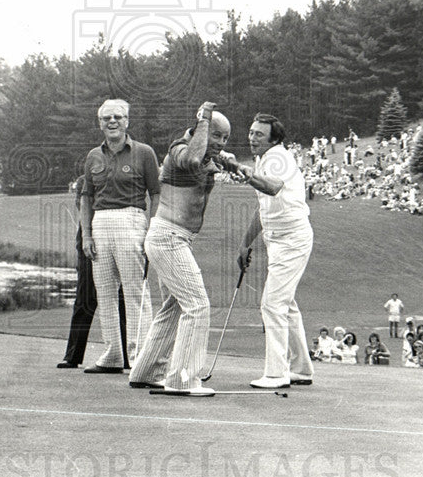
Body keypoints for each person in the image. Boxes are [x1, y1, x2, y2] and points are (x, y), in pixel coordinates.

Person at [128, 103, 240, 396]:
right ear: (200, 127)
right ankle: (182, 379)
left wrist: (227, 162)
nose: (220, 142)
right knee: (198, 305)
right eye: (215, 134)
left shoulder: (206, 154)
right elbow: (192, 159)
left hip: (175, 238)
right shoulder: (180, 150)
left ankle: (145, 370)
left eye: (225, 138)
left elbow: (203, 164)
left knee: (175, 305)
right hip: (168, 237)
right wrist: (204, 120)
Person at [236, 113, 315, 389]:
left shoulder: (279, 157)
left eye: (259, 134)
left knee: (272, 304)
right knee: (286, 306)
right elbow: (264, 209)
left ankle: (276, 374)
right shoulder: (263, 159)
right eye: (251, 132)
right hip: (277, 239)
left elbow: (272, 188)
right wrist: (246, 243)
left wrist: (245, 173)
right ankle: (301, 369)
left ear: (274, 139)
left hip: (292, 238)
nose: (252, 137)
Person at [80, 99, 161, 373]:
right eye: (106, 118)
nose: (111, 122)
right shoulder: (93, 155)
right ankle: (113, 354)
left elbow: (157, 193)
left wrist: (152, 227)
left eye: (117, 116)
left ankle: (141, 358)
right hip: (100, 222)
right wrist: (86, 236)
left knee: (135, 292)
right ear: (99, 123)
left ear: (127, 121)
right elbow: (86, 197)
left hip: (131, 219)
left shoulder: (144, 153)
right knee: (105, 293)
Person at [57, 174, 130, 369]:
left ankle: (126, 356)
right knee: (85, 298)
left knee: (121, 299)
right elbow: (83, 210)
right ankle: (73, 355)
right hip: (91, 238)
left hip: (117, 237)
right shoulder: (84, 180)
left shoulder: (121, 178)